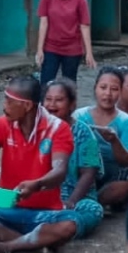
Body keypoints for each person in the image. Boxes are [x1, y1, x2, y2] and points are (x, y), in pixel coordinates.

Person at [0, 76, 84, 253]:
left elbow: (59, 170)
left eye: (9, 100)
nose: (4, 105)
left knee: (70, 224)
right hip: (6, 210)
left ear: (27, 106)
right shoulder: (5, 123)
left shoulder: (58, 128)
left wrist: (36, 184)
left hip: (44, 214)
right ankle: (34, 243)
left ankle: (7, 246)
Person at [43, 79, 104, 238]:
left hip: (77, 198)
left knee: (93, 210)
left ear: (71, 104)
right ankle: (47, 232)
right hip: (43, 196)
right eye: (48, 99)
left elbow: (89, 173)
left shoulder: (84, 133)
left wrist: (71, 202)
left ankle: (53, 232)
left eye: (59, 100)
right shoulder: (39, 130)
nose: (52, 105)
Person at [74, 67, 128, 210]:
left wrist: (114, 141)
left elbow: (127, 162)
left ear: (121, 91)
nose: (108, 94)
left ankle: (95, 203)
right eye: (103, 87)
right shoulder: (79, 116)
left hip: (110, 177)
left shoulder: (127, 122)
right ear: (95, 88)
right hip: (81, 172)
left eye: (114, 89)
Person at [35, 0, 96, 87]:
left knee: (69, 85)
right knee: (45, 83)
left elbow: (84, 26)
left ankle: (69, 107)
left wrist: (89, 52)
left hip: (72, 49)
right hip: (51, 47)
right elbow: (43, 23)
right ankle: (43, 106)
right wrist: (39, 49)